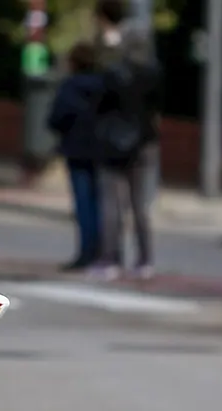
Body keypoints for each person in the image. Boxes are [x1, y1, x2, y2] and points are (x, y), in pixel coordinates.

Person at [90, 22, 162, 280]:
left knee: (112, 203)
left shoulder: (112, 73)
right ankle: (145, 259)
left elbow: (99, 107)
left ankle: (111, 258)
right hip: (145, 142)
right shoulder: (153, 73)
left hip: (113, 142)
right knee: (140, 204)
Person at [48, 41, 105, 271]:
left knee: (83, 203)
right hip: (102, 150)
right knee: (101, 203)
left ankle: (86, 252)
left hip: (76, 148)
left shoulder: (70, 86)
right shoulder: (103, 86)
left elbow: (56, 117)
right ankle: (101, 250)